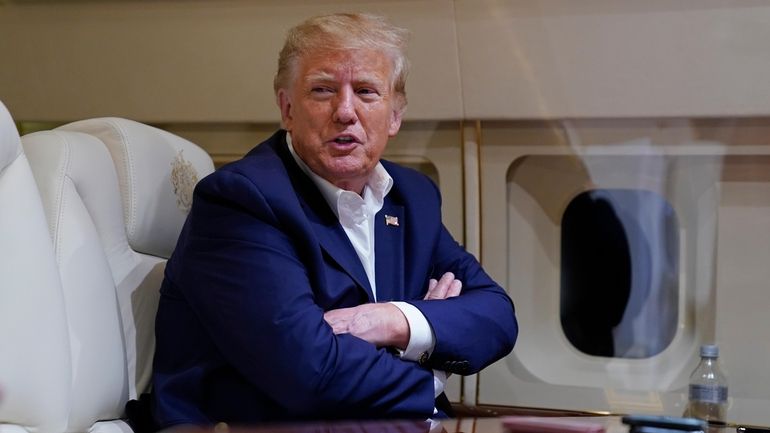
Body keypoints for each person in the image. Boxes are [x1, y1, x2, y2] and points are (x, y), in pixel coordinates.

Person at [151, 12, 518, 427]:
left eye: (366, 91)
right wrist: (429, 372)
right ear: (287, 109)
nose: (345, 111)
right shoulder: (242, 200)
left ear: (394, 116)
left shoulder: (411, 197)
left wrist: (392, 320)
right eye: (323, 90)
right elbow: (309, 372)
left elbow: (496, 316)